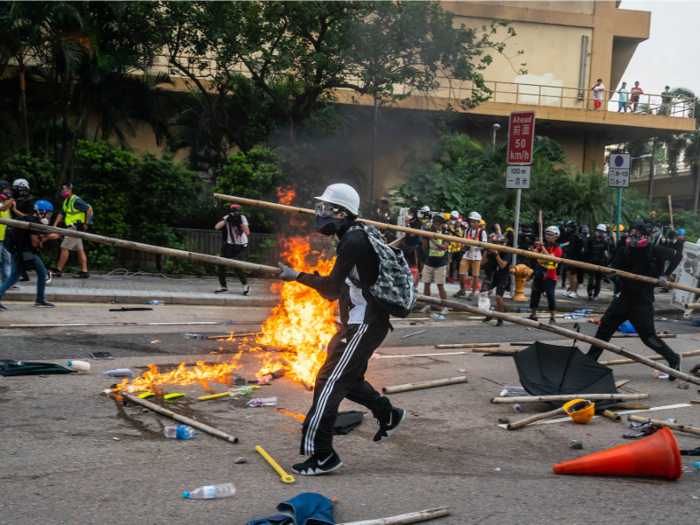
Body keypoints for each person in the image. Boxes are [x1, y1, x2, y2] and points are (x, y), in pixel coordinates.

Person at [277, 183, 406, 476]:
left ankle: (322, 454)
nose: (321, 213)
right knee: (348, 378)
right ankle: (388, 413)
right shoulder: (350, 236)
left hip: (365, 324)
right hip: (359, 324)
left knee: (328, 382)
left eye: (326, 208)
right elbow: (337, 289)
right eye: (319, 207)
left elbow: (332, 288)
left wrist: (297, 276)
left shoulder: (353, 240)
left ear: (343, 212)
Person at [587, 219, 683, 377]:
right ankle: (589, 362)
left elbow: (678, 256)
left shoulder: (654, 249)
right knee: (604, 329)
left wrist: (665, 274)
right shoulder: (624, 250)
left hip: (642, 303)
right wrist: (610, 272)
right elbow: (614, 267)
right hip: (624, 299)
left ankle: (673, 359)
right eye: (630, 233)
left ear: (644, 235)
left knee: (649, 338)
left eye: (635, 233)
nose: (631, 236)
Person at [0, 200, 61, 310]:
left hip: (19, 252)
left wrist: (44, 235)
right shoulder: (34, 223)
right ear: (41, 212)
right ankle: (40, 299)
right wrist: (49, 237)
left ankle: (40, 299)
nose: (48, 216)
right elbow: (35, 242)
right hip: (26, 253)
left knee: (13, 277)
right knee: (42, 273)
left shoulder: (30, 218)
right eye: (48, 213)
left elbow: (34, 237)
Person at [50, 182, 92, 279]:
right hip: (72, 228)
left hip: (75, 228)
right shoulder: (66, 202)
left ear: (70, 190)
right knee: (79, 250)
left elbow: (88, 209)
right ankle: (84, 272)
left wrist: (86, 223)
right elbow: (61, 213)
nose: (63, 191)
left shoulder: (76, 200)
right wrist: (55, 225)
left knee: (64, 247)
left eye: (64, 189)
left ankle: (58, 270)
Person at [213, 204, 251, 295]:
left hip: (241, 245)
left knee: (236, 264)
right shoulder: (227, 218)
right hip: (230, 245)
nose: (234, 214)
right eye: (232, 212)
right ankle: (223, 286)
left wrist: (240, 222)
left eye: (236, 212)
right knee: (221, 263)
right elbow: (216, 227)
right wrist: (226, 220)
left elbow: (247, 232)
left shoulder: (242, 218)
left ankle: (246, 286)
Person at [529, 226, 562, 325]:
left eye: (551, 235)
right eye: (547, 234)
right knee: (534, 295)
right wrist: (531, 245)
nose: (548, 237)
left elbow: (549, 258)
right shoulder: (542, 245)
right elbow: (533, 254)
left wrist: (542, 247)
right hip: (539, 274)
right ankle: (533, 316)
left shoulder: (558, 248)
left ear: (556, 237)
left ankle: (552, 318)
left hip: (550, 276)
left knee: (550, 296)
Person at [419, 214, 450, 315]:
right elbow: (424, 248)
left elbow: (445, 247)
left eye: (438, 223)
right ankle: (427, 305)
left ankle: (445, 306)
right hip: (429, 261)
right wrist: (425, 238)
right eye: (435, 223)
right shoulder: (430, 232)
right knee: (426, 284)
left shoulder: (445, 233)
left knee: (440, 285)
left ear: (442, 225)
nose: (436, 225)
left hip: (440, 262)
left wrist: (434, 242)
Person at [455, 211, 487, 299]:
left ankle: (473, 293)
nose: (472, 223)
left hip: (476, 255)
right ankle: (462, 290)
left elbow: (485, 244)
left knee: (475, 275)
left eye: (474, 222)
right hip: (467, 254)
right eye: (471, 221)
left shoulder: (482, 232)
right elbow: (464, 242)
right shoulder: (467, 231)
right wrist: (461, 245)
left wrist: (476, 248)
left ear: (478, 222)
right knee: (461, 274)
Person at [481, 233, 511, 327]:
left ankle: (500, 317)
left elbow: (502, 265)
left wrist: (496, 254)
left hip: (502, 275)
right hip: (492, 275)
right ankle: (489, 314)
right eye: (494, 243)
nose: (495, 245)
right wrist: (487, 250)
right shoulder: (491, 251)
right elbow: (483, 262)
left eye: (497, 243)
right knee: (483, 293)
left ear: (502, 244)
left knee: (498, 297)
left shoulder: (507, 252)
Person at [587, 224, 610, 300]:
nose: (600, 233)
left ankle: (595, 295)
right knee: (591, 279)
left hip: (601, 263)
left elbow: (607, 254)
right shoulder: (591, 240)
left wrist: (606, 265)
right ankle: (589, 294)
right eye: (599, 231)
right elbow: (588, 251)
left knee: (598, 280)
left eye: (602, 232)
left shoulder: (605, 242)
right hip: (592, 262)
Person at [400, 207, 422, 285]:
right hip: (406, 245)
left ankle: (415, 285)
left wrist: (408, 224)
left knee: (415, 267)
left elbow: (412, 234)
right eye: (409, 213)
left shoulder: (418, 223)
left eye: (411, 213)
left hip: (414, 247)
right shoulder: (409, 222)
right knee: (402, 264)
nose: (409, 215)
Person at [565, 221, 586, 298]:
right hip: (575, 257)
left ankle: (574, 291)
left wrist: (568, 257)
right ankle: (571, 290)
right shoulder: (576, 235)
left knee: (573, 274)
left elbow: (571, 248)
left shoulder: (573, 236)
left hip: (574, 258)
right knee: (570, 273)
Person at [0, 180, 14, 285]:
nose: (7, 192)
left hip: (4, 236)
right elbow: (3, 209)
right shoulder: (3, 203)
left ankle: (6, 282)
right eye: (6, 189)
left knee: (7, 259)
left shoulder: (5, 201)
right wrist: (11, 199)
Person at [446, 211, 463, 283]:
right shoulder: (447, 225)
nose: (453, 220)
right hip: (446, 246)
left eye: (455, 219)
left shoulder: (453, 227)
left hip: (452, 248)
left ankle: (447, 276)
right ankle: (446, 276)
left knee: (449, 262)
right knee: (448, 262)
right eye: (452, 218)